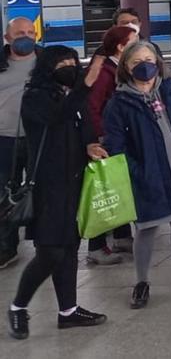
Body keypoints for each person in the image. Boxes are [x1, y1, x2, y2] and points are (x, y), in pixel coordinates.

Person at [102, 42, 171, 309]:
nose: (144, 65)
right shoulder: (119, 102)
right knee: (146, 228)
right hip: (149, 175)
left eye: (149, 59)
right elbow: (115, 145)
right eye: (136, 62)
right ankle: (141, 282)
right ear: (126, 68)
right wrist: (137, 172)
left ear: (157, 61)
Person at [9, 46, 107, 339]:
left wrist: (90, 144)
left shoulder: (72, 95)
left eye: (72, 62)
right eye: (61, 63)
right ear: (46, 67)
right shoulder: (36, 97)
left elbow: (84, 126)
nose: (69, 66)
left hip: (76, 181)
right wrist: (86, 84)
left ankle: (68, 311)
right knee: (50, 251)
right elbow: (56, 119)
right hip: (49, 186)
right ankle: (17, 308)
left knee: (69, 249)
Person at [82, 25, 139, 266]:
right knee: (104, 191)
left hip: (119, 137)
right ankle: (96, 246)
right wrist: (97, 138)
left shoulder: (119, 69)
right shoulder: (105, 73)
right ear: (121, 46)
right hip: (105, 140)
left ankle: (122, 236)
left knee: (119, 186)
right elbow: (92, 108)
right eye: (134, 41)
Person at [0, 18, 38, 269]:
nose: (26, 36)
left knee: (41, 190)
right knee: (4, 193)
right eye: (19, 33)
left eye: (30, 32)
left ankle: (43, 243)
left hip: (39, 136)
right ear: (7, 37)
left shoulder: (47, 60)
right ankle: (6, 246)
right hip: (4, 138)